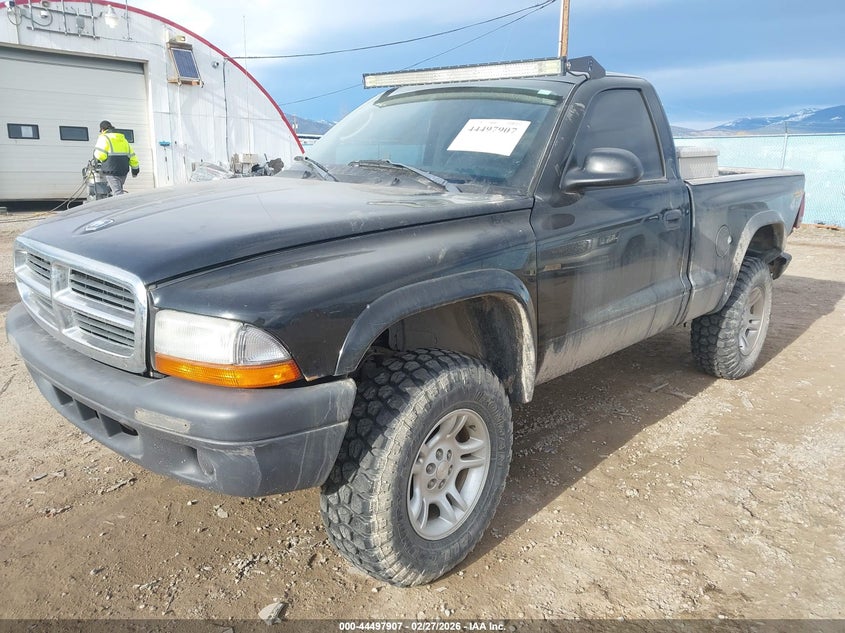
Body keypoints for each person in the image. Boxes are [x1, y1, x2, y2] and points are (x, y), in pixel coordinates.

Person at [93, 121, 139, 195]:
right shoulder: (123, 139)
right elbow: (132, 156)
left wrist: (99, 159)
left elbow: (100, 155)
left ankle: (121, 206)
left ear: (102, 129)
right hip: (123, 170)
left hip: (111, 170)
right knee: (118, 189)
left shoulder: (104, 138)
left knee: (117, 192)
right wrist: (135, 170)